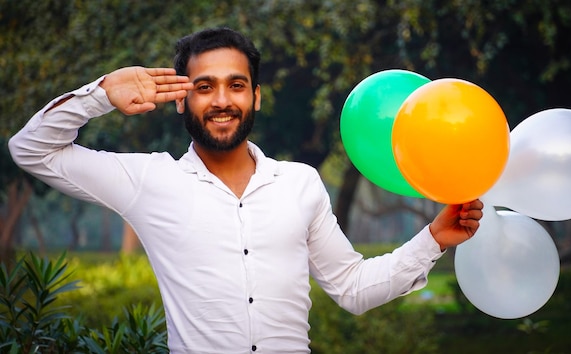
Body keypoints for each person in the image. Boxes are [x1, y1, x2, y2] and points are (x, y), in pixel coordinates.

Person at [9, 27, 483, 353]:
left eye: (236, 85)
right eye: (204, 86)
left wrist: (433, 239)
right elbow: (32, 150)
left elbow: (352, 288)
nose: (221, 100)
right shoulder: (149, 182)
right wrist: (99, 94)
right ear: (181, 100)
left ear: (255, 97)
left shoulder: (301, 183)